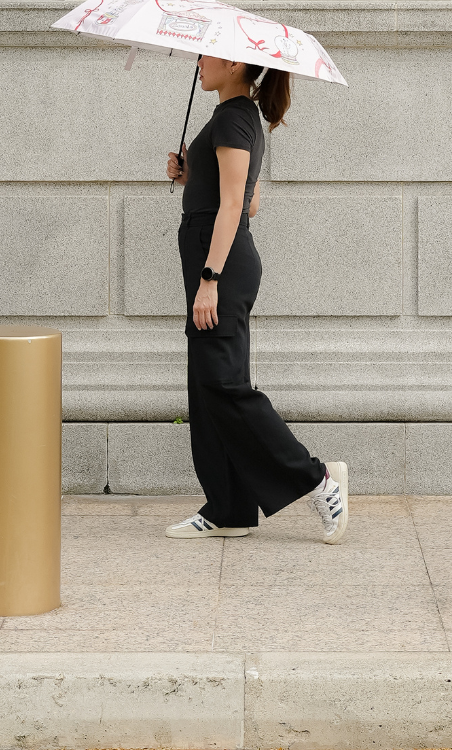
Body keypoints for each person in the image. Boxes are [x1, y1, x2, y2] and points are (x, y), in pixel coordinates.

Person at [164, 55, 348, 544]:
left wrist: (210, 279)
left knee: (223, 385)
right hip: (217, 259)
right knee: (208, 389)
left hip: (218, 266)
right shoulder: (238, 117)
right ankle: (230, 508)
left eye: (205, 56)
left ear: (230, 62)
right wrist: (190, 175)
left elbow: (233, 208)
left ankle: (316, 479)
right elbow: (251, 199)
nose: (198, 63)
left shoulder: (232, 117)